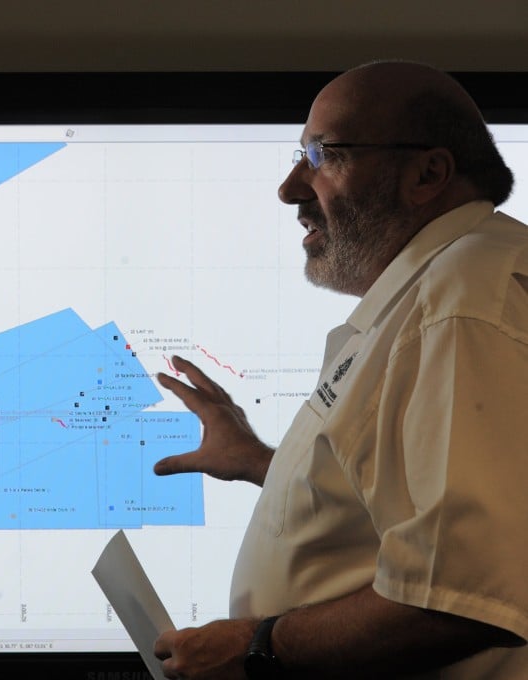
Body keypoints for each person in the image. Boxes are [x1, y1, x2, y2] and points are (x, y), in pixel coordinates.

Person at [151, 61, 528, 679]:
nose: (291, 187)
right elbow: (407, 508)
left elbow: (465, 600)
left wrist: (254, 648)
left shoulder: (461, 307)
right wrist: (261, 464)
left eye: (323, 155)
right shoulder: (435, 294)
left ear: (428, 173)